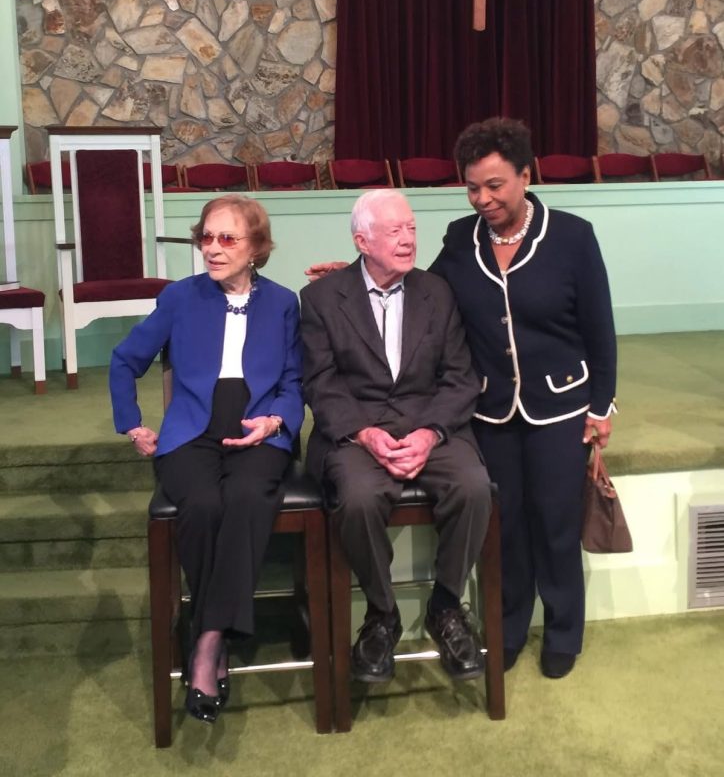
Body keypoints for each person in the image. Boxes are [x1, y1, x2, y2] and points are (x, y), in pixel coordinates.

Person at [428, 118, 617, 679]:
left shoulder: (573, 236)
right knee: (505, 526)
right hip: (492, 410)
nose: (482, 198)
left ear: (525, 176)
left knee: (556, 522)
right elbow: (428, 295)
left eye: (494, 185)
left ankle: (563, 631)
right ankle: (508, 628)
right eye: (471, 187)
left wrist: (602, 407)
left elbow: (599, 328)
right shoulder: (461, 238)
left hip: (562, 407)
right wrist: (362, 276)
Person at [110, 194, 304, 724]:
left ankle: (207, 638)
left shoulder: (284, 302)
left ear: (256, 248)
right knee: (202, 502)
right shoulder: (179, 298)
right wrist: (130, 421)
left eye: (227, 239)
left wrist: (276, 421)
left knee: (245, 495)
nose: (212, 249)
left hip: (257, 426)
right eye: (207, 238)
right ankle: (215, 638)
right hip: (191, 429)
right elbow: (125, 359)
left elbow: (293, 382)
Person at [300, 189, 492, 685]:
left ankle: (446, 607)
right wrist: (364, 434)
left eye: (411, 228)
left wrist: (429, 434)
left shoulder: (437, 291)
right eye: (394, 231)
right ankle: (381, 615)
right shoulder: (321, 298)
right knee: (360, 497)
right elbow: (319, 383)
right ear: (362, 241)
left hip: (428, 424)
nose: (408, 239)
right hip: (356, 432)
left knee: (473, 486)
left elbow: (460, 378)